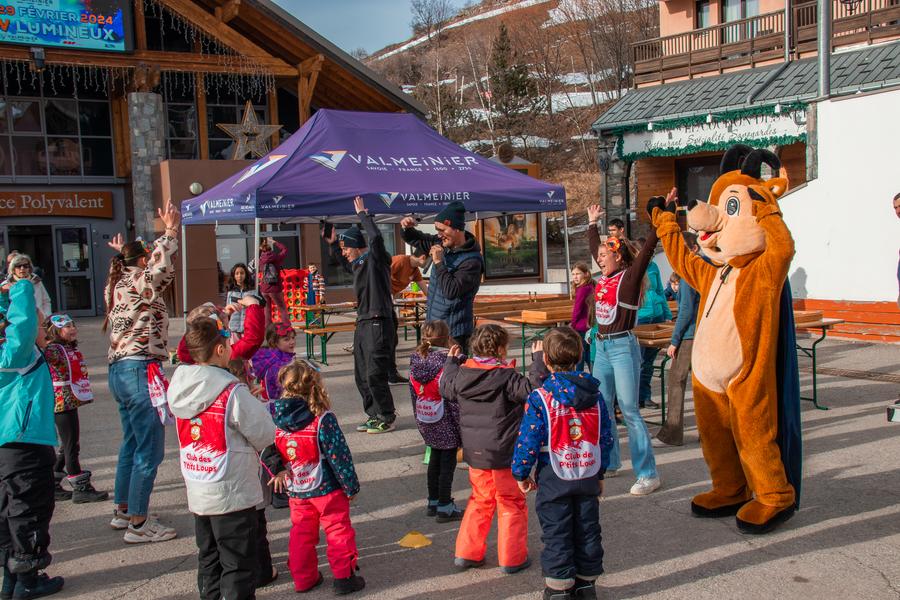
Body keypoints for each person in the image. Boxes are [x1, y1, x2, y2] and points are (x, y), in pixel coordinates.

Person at [168, 316, 275, 600]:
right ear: (219, 350)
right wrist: (256, 404)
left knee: (209, 557)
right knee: (238, 564)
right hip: (232, 492)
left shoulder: (179, 387)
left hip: (200, 487)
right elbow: (265, 433)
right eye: (228, 344)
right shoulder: (231, 391)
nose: (231, 348)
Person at [512, 327, 613, 600]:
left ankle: (559, 588)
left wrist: (521, 471)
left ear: (545, 360)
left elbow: (528, 438)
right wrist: (601, 472)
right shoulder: (596, 396)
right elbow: (605, 436)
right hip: (587, 469)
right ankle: (586, 583)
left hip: (553, 476)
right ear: (580, 355)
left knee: (557, 532)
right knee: (588, 529)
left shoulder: (541, 398)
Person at [439, 324, 545, 574]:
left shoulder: (462, 375)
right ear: (500, 349)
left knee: (480, 500)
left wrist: (451, 363)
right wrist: (537, 363)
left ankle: (467, 553)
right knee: (510, 503)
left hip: (475, 453)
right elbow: (534, 392)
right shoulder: (506, 377)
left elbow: (445, 387)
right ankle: (512, 558)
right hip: (504, 453)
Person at [104, 199, 180, 543]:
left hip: (119, 369)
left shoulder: (116, 284)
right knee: (149, 449)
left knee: (132, 443)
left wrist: (125, 252)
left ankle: (124, 510)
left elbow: (143, 270)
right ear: (140, 261)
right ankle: (138, 522)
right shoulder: (138, 281)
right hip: (138, 368)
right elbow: (159, 272)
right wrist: (169, 232)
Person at [264, 360, 365, 595]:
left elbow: (270, 450)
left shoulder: (276, 419)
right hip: (327, 487)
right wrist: (350, 487)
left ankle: (303, 578)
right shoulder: (322, 418)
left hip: (297, 488)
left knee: (301, 532)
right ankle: (344, 577)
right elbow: (340, 456)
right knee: (338, 529)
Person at [587, 204, 661, 496]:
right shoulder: (604, 276)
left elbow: (645, 254)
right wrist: (592, 223)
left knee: (629, 409)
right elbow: (596, 247)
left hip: (621, 346)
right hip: (602, 349)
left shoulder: (628, 279)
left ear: (618, 257)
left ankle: (648, 474)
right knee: (602, 408)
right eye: (599, 256)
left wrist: (658, 224)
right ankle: (611, 462)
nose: (599, 259)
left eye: (604, 256)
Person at [0, 280, 65, 599]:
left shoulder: (12, 353)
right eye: (43, 325)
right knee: (30, 509)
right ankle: (28, 581)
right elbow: (23, 326)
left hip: (10, 444)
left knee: (10, 511)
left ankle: (12, 580)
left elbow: (16, 324)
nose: (46, 331)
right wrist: (23, 288)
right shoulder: (18, 354)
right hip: (25, 444)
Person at [324, 196, 396, 434]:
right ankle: (373, 414)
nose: (344, 253)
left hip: (379, 321)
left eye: (346, 248)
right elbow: (344, 264)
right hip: (363, 322)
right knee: (361, 374)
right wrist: (334, 244)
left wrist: (364, 215)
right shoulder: (358, 265)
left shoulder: (377, 260)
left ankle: (386, 415)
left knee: (375, 372)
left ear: (356, 246)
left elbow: (375, 238)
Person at [42, 314, 108, 504]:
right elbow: (46, 351)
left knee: (67, 444)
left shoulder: (65, 347)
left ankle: (53, 481)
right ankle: (80, 487)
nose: (72, 328)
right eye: (66, 326)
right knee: (71, 446)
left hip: (69, 400)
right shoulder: (53, 349)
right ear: (54, 331)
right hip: (61, 402)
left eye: (72, 325)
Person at [401, 201, 484, 354]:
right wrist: (407, 228)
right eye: (436, 230)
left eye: (442, 230)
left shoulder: (472, 261)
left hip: (454, 333)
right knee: (430, 374)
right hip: (432, 328)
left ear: (457, 229)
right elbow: (417, 238)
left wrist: (439, 262)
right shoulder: (441, 242)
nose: (438, 234)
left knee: (451, 375)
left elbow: (451, 291)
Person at [409, 320, 462, 522]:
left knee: (434, 459)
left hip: (425, 415)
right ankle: (445, 505)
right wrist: (460, 425)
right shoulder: (451, 362)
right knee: (447, 464)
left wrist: (418, 418)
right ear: (447, 338)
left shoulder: (416, 360)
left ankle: (432, 500)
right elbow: (454, 396)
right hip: (446, 417)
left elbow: (413, 393)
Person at [654, 233, 702, 448]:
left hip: (690, 335)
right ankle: (709, 431)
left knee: (676, 381)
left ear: (691, 249)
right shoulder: (701, 268)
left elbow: (685, 311)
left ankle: (673, 433)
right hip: (701, 332)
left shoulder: (688, 272)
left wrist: (674, 340)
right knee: (703, 384)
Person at [636, 238, 673, 410]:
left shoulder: (654, 267)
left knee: (649, 361)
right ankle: (636, 396)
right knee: (639, 360)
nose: (650, 255)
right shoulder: (632, 268)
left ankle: (646, 396)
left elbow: (660, 292)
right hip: (641, 317)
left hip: (656, 314)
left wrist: (666, 314)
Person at [388, 249, 429, 384]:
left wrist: (435, 299)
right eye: (429, 261)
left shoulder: (414, 270)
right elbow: (382, 276)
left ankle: (391, 373)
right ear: (423, 257)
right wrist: (390, 301)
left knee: (392, 339)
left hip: (389, 302)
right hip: (379, 300)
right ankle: (386, 374)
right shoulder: (400, 260)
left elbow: (424, 288)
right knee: (386, 339)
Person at [251, 323, 297, 402]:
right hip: (278, 403)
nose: (292, 342)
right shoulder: (278, 364)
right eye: (286, 339)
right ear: (274, 342)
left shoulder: (280, 357)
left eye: (293, 338)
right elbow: (280, 388)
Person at [3, 255, 52, 319]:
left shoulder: (37, 282)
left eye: (25, 266)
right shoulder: (6, 285)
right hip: (17, 325)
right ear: (13, 269)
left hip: (38, 322)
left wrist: (45, 315)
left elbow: (46, 301)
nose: (22, 268)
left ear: (29, 268)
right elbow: (2, 306)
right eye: (18, 266)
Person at [569, 262, 595, 371]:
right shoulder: (591, 286)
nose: (575, 277)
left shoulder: (583, 289)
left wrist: (572, 325)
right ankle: (595, 376)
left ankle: (578, 377)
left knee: (579, 355)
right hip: (590, 326)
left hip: (580, 327)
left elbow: (577, 310)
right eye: (573, 274)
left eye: (578, 274)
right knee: (589, 355)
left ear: (586, 274)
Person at [259, 237, 288, 328]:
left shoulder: (261, 260)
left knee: (267, 309)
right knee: (282, 307)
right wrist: (275, 242)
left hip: (264, 288)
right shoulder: (276, 258)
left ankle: (268, 328)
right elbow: (285, 249)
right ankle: (287, 326)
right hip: (275, 288)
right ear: (270, 250)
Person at [225, 264, 255, 340]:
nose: (239, 275)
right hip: (234, 328)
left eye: (242, 273)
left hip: (248, 327)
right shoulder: (230, 292)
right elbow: (227, 310)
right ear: (234, 276)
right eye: (237, 273)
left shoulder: (252, 291)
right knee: (235, 349)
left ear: (246, 274)